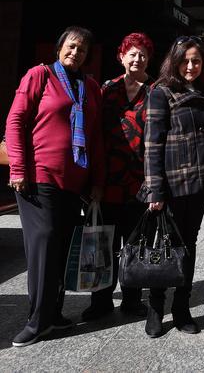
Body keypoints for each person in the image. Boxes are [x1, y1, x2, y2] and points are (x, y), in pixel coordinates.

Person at [6, 26, 105, 347]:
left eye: (83, 50)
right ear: (60, 47)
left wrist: (97, 182)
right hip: (39, 177)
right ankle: (38, 320)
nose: (76, 53)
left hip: (74, 181)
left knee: (61, 250)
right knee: (44, 246)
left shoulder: (90, 87)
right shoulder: (40, 75)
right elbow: (16, 120)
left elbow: (95, 137)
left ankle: (55, 314)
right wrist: (19, 168)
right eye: (72, 47)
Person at [141, 35, 204, 338]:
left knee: (187, 248)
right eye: (185, 60)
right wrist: (155, 190)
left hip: (200, 185)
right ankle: (156, 307)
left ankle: (182, 308)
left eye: (196, 60)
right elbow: (152, 144)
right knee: (164, 248)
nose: (191, 66)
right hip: (172, 186)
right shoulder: (161, 92)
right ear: (174, 61)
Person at [82, 32, 154, 322]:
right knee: (104, 243)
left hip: (141, 180)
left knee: (136, 244)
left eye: (142, 54)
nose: (137, 59)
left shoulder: (156, 90)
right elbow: (94, 134)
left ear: (149, 59)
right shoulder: (107, 89)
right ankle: (100, 300)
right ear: (122, 56)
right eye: (132, 53)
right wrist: (93, 182)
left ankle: (133, 299)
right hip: (108, 179)